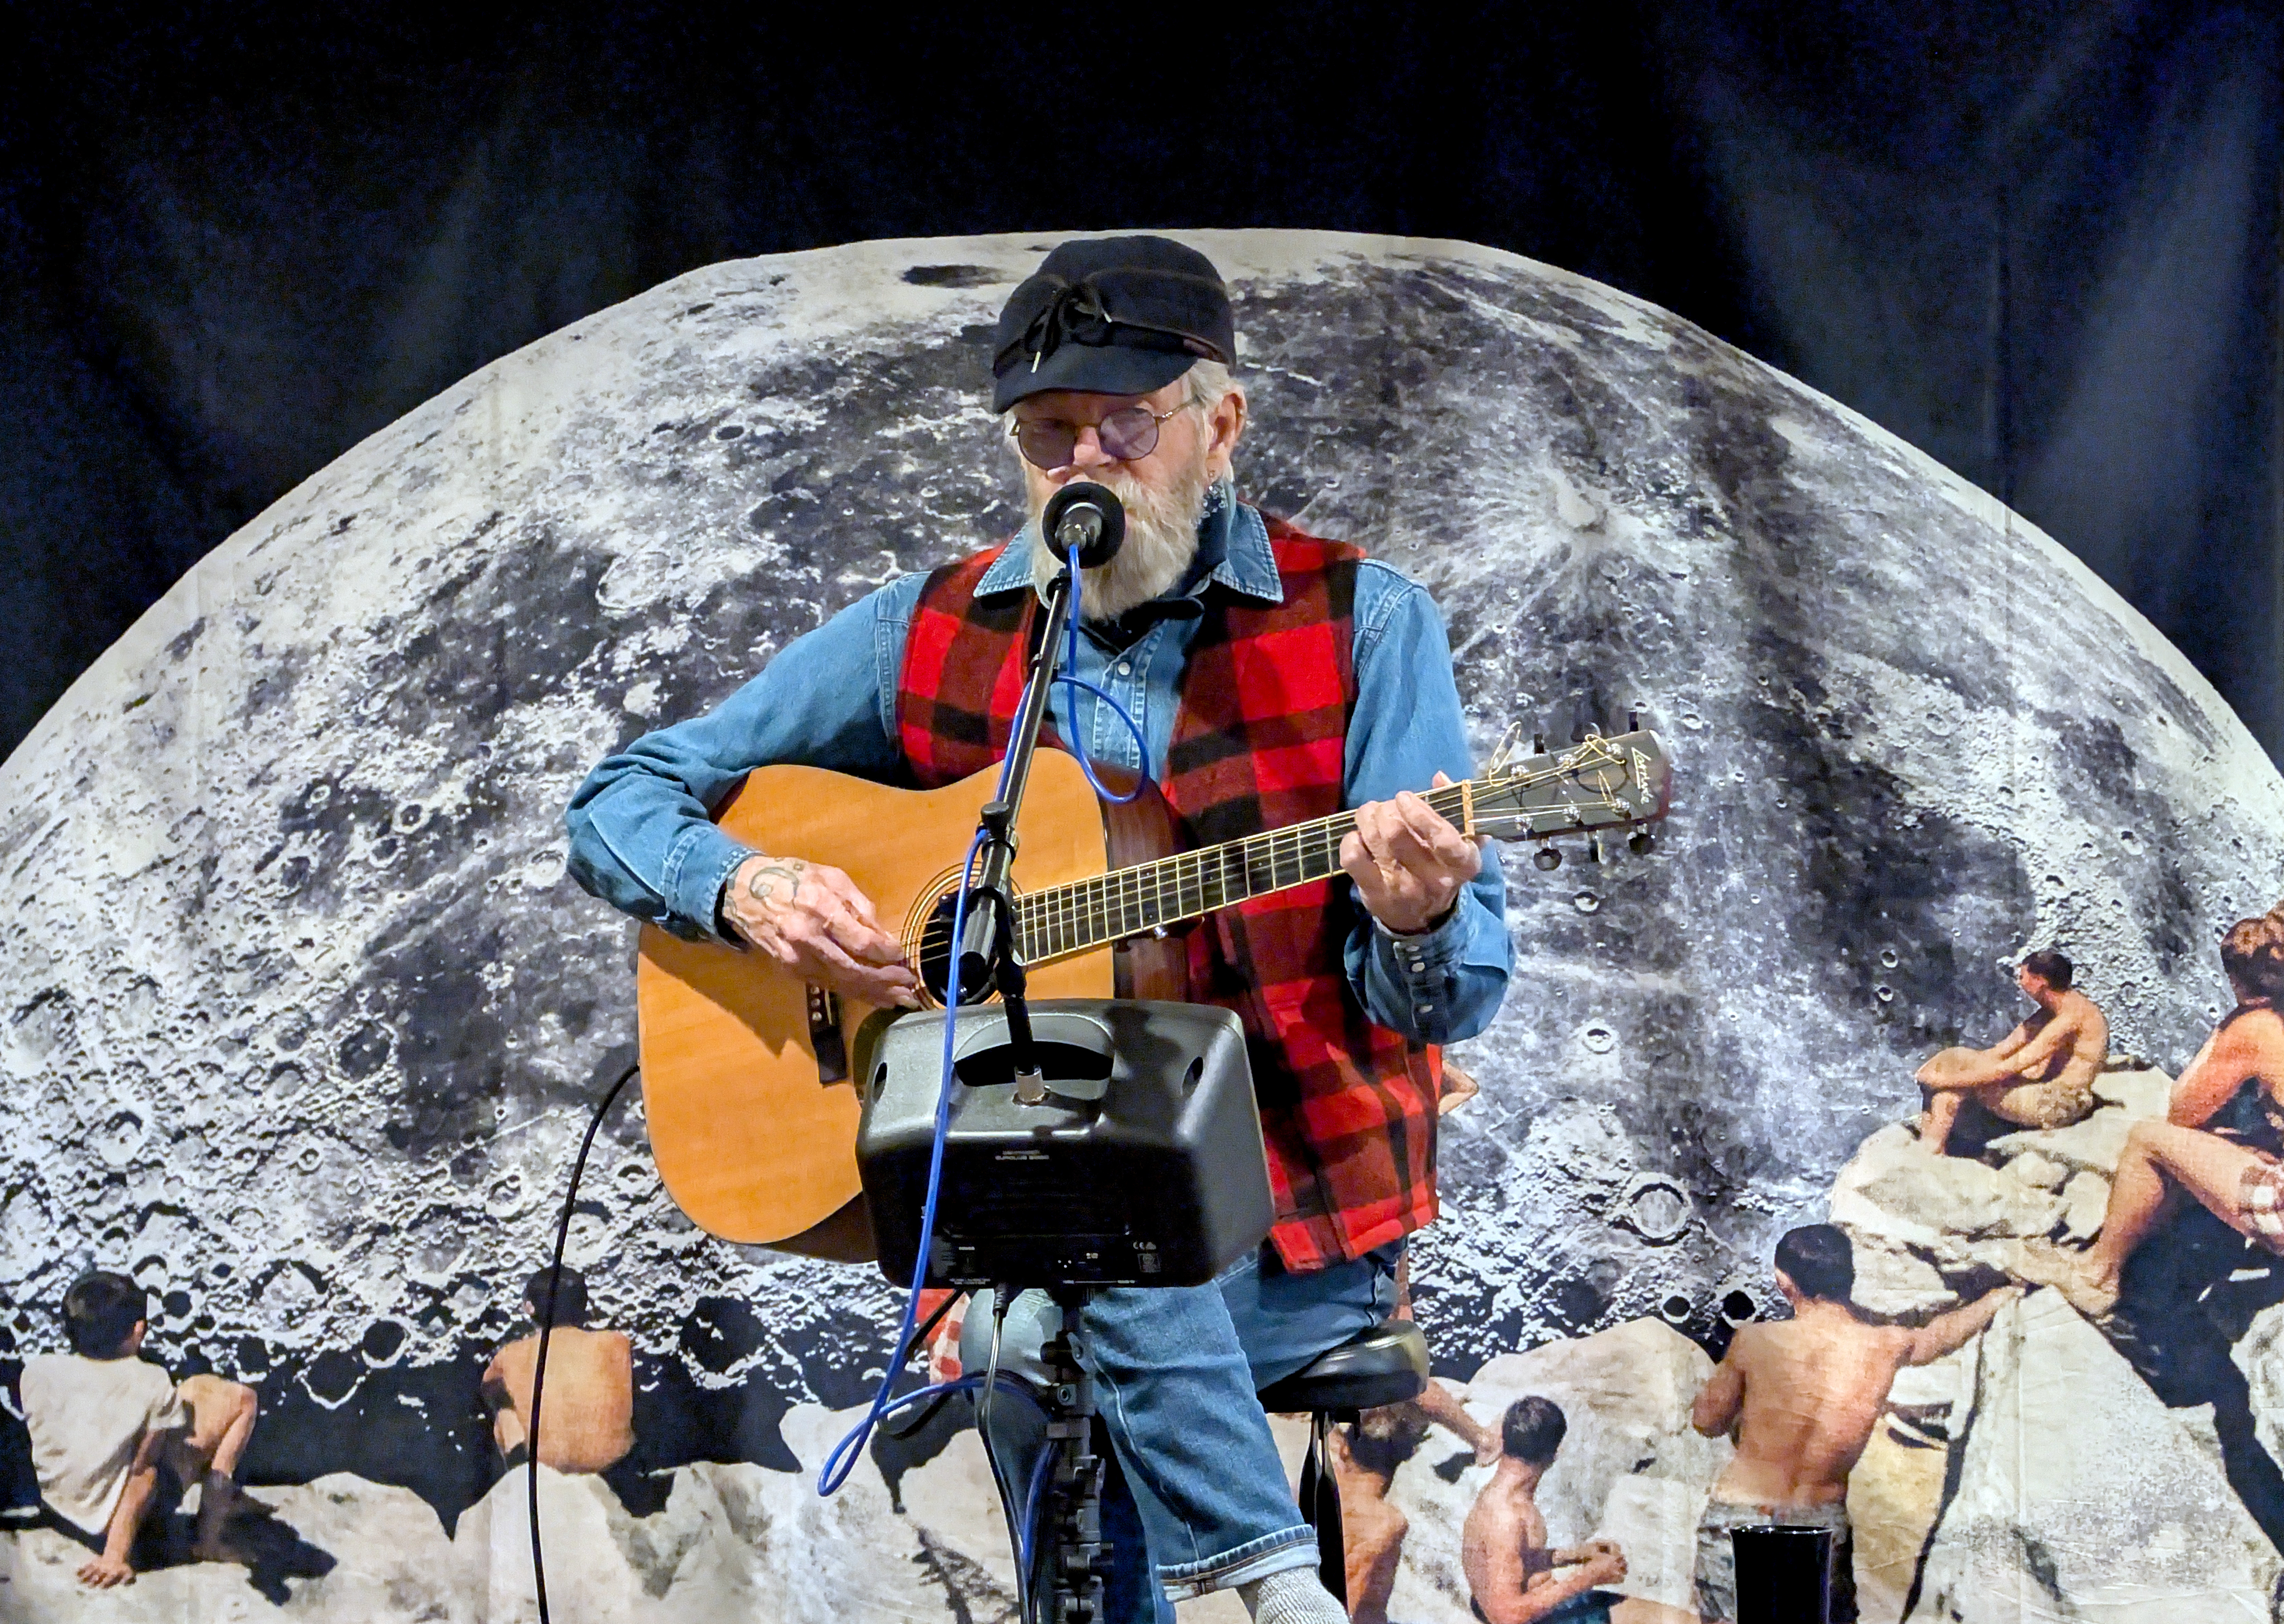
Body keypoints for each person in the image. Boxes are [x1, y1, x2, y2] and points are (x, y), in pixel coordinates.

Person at [567, 234, 1511, 1624]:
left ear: (1220, 426)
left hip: (1290, 1215)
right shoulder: (932, 628)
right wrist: (748, 891)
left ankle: (1255, 1583)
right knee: (1060, 1239)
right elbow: (622, 795)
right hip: (1011, 1204)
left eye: (1120, 425)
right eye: (1047, 434)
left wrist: (1417, 917)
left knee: (1066, 1273)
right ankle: (1265, 1585)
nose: (1081, 464)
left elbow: (1450, 1001)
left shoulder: (1363, 624)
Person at [1689, 1226, 2018, 1624]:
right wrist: (2000, 1296)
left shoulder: (1754, 1341)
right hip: (1819, 1521)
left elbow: (1706, 1422)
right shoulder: (1887, 1344)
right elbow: (1941, 1337)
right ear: (1850, 1278)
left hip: (1743, 1513)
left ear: (1783, 1282)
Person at [2021, 913, 2284, 1320]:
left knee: (2150, 1142)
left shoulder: (2257, 1028)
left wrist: (2229, 1027)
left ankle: (2097, 1276)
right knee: (2229, 1144)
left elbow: (2182, 1112)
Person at [19, 1270, 259, 1588]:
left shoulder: (37, 1371)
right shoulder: (151, 1381)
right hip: (113, 1524)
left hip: (61, 1509)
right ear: (139, 1330)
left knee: (195, 1389)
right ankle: (210, 1536)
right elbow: (144, 1475)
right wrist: (115, 1556)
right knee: (242, 1398)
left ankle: (221, 1499)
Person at [1914, 950, 2107, 1154]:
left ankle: (1933, 1145)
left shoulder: (2069, 1019)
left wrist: (1940, 1081)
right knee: (1955, 1058)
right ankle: (1933, 1142)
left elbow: (2008, 1068)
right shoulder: (2053, 1011)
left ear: (2040, 981)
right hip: (2047, 1091)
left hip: (2057, 1105)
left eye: (2022, 977)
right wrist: (1950, 1064)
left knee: (1956, 1075)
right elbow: (1999, 1052)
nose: (2020, 983)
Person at [1459, 1396, 1628, 1624]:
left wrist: (1578, 1554)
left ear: (1504, 1439)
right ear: (1553, 1455)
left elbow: (1520, 1559)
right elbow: (1507, 1616)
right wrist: (1589, 1577)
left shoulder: (1504, 1498)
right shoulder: (1506, 1518)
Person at [481, 1265, 634, 1474]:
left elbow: (492, 1394)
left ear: (529, 1308)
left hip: (541, 1470)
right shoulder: (618, 1345)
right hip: (612, 1467)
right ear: (584, 1305)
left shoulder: (508, 1357)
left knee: (502, 1405)